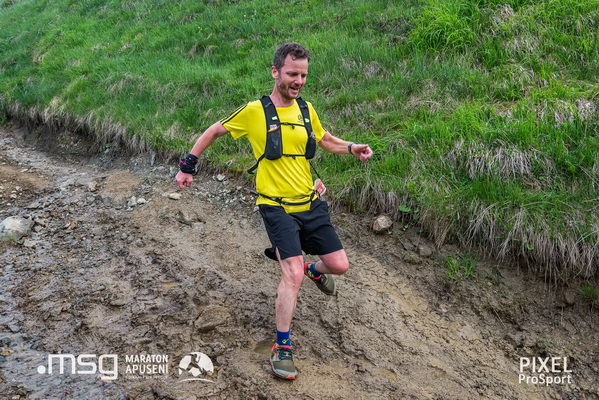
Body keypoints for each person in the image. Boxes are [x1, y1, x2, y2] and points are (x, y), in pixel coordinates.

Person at [175, 42, 373, 380]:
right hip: (275, 206)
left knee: (339, 265)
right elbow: (215, 130)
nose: (299, 81)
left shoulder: (306, 109)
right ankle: (282, 346)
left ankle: (312, 269)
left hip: (309, 202)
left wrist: (352, 147)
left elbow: (324, 139)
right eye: (293, 74)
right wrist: (188, 164)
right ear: (275, 72)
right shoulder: (255, 111)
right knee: (291, 276)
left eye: (304, 75)